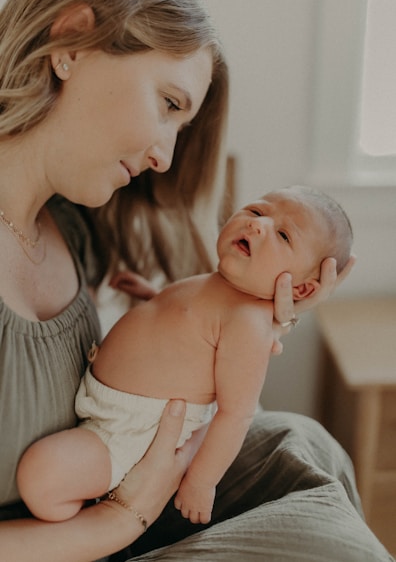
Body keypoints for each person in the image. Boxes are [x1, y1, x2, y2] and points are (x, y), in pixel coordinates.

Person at [0, 0, 392, 560]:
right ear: (73, 42)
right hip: (77, 532)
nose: (163, 157)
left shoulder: (76, 229)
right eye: (168, 103)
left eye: (181, 127)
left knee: (304, 442)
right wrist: (118, 521)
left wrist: (260, 313)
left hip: (114, 490)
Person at [17, 184, 354, 526]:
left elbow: (236, 413)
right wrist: (154, 298)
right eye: (256, 211)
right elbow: (188, 324)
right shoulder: (223, 284)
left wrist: (200, 482)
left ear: (301, 289)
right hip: (110, 408)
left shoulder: (249, 323)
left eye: (283, 235)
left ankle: (86, 520)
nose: (258, 225)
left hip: (129, 435)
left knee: (40, 476)